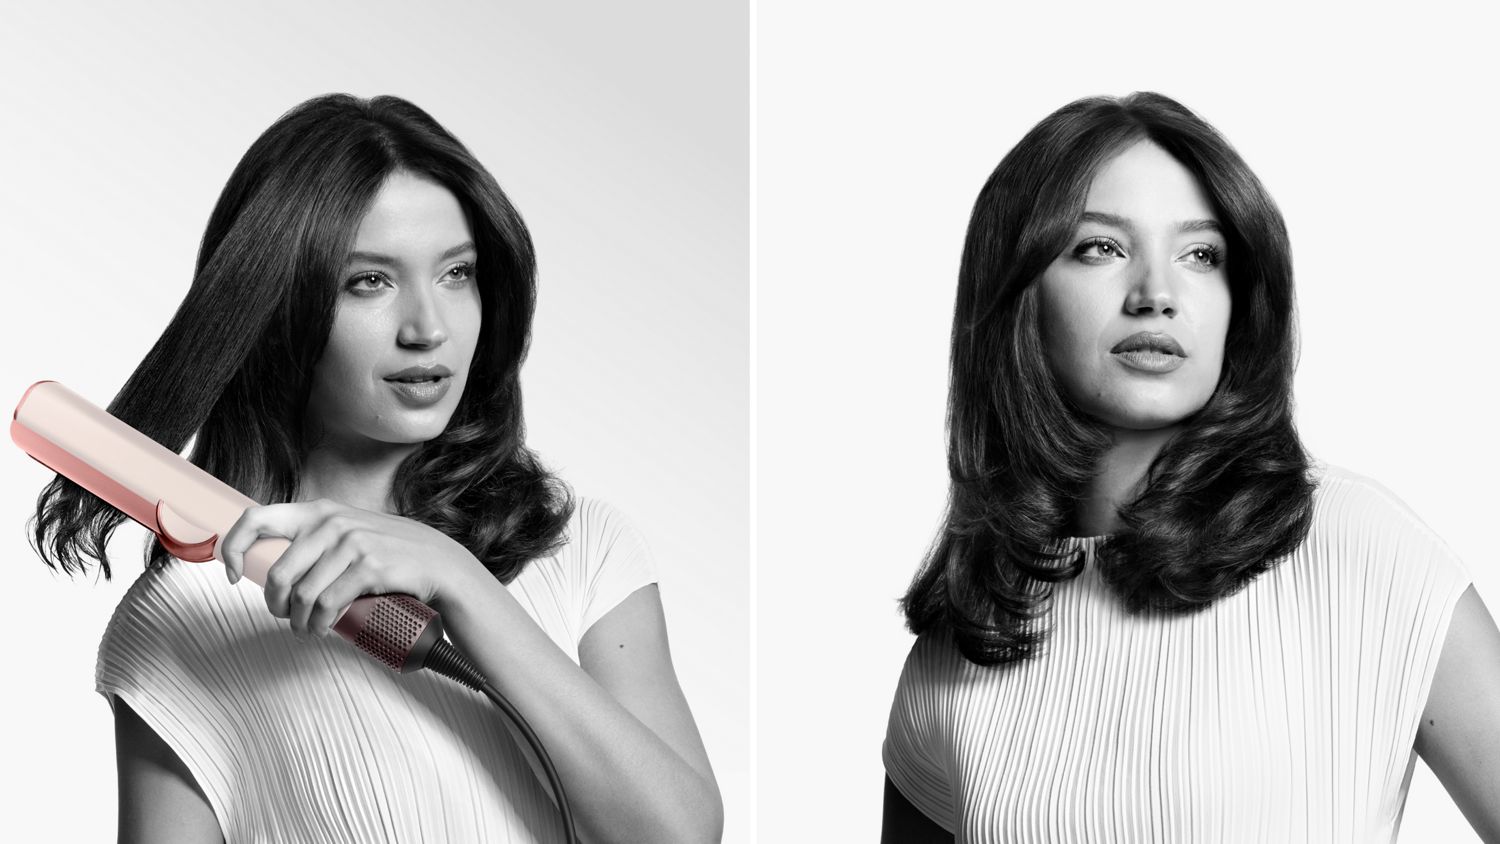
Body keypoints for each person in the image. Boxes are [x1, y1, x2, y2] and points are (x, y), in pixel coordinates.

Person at [28, 94, 722, 844]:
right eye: (370, 282)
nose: (428, 328)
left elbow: (679, 835)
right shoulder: (185, 621)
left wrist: (457, 578)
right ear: (279, 305)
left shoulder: (578, 548)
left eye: (457, 273)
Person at [880, 92, 1500, 842]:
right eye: (1100, 248)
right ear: (1019, 295)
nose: (1157, 296)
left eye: (1201, 255)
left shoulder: (1360, 551)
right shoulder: (962, 644)